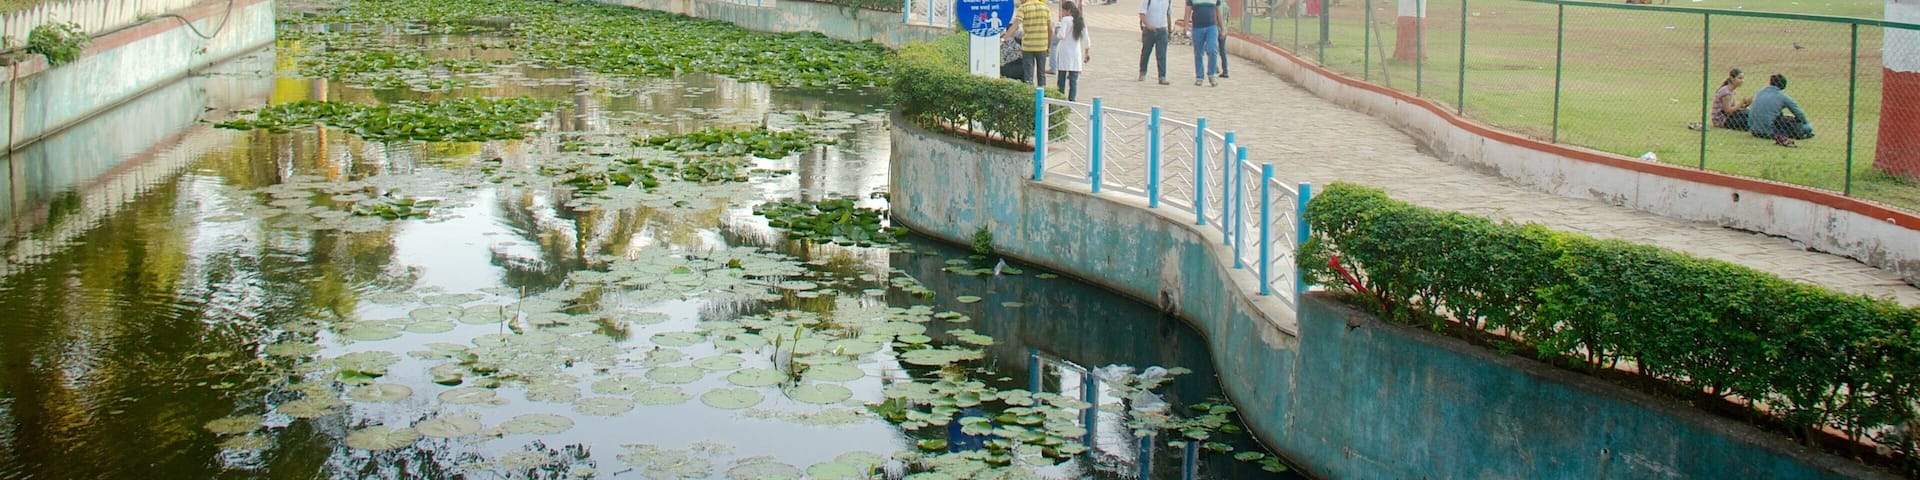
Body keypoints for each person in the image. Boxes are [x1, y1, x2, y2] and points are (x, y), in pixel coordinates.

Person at [1748, 73, 1814, 146]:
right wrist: (1805, 123)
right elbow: (1799, 114)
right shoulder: (1782, 96)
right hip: (1769, 131)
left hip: (1754, 130)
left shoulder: (1760, 92)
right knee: (1808, 127)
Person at [1053, 1, 1092, 101]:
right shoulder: (1080, 20)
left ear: (1068, 10)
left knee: (1061, 80)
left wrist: (1057, 30)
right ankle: (1072, 101)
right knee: (1073, 81)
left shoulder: (1065, 20)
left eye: (1063, 10)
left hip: (1065, 52)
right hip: (1075, 53)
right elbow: (1086, 39)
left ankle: (1060, 100)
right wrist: (1086, 53)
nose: (1062, 12)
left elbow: (1061, 36)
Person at [1010, 0, 1054, 88]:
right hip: (1042, 46)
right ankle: (1042, 97)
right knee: (1041, 74)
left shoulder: (1023, 8)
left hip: (1027, 47)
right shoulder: (1045, 7)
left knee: (1028, 75)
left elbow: (1015, 26)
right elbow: (1050, 30)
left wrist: (1003, 39)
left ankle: (1029, 96)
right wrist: (1048, 47)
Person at [1187, 0, 1222, 86]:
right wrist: (1186, 26)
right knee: (1198, 52)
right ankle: (1199, 77)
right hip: (1197, 27)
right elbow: (1187, 10)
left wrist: (1222, 27)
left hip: (1212, 27)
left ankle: (1212, 75)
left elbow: (1219, 11)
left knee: (1212, 49)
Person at [1139, 0, 1172, 85]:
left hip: (1162, 30)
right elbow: (1142, 14)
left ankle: (1162, 77)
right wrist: (1148, 25)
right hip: (1149, 30)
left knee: (1162, 54)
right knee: (1146, 52)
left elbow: (1168, 14)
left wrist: (1169, 30)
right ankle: (1142, 72)